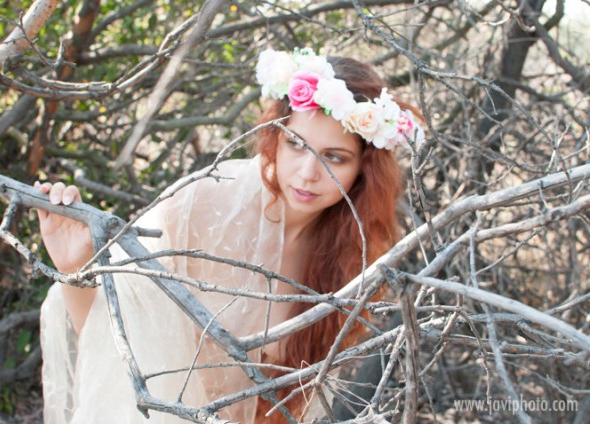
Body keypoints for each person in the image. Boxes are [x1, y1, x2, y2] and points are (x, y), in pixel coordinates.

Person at [37, 48, 424, 423]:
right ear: (275, 138)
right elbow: (109, 340)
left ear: (363, 169)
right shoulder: (203, 205)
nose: (308, 173)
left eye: (334, 156)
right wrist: (74, 268)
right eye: (296, 144)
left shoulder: (350, 256)